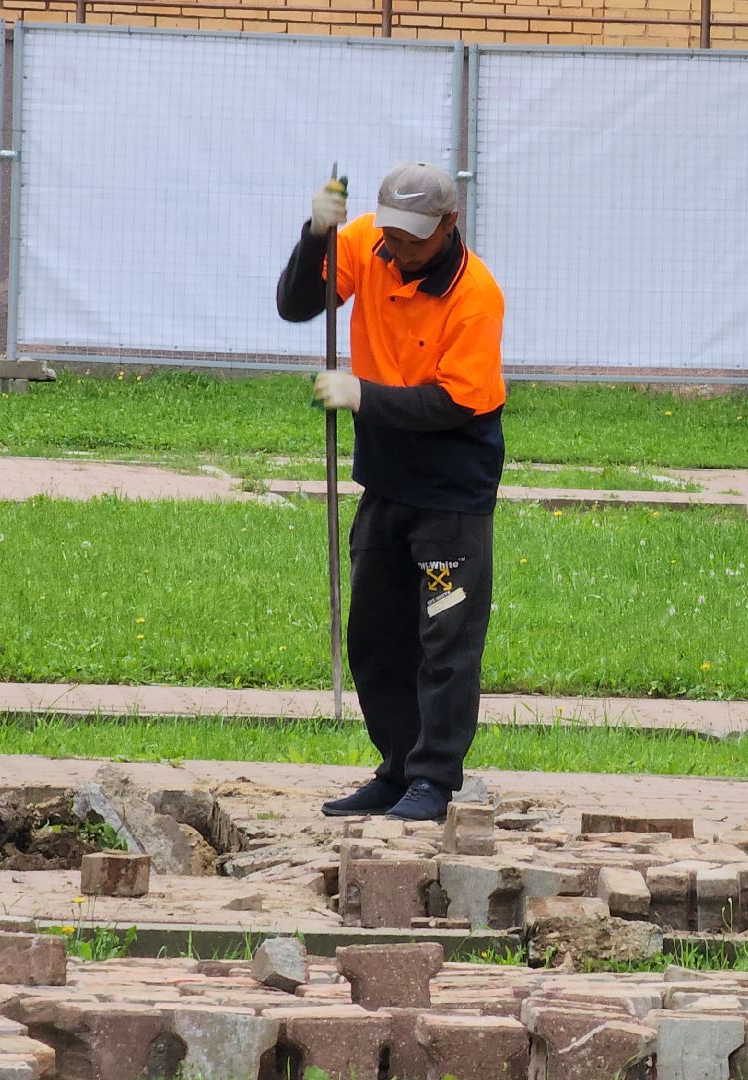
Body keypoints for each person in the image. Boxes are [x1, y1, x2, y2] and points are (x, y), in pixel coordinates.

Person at [276, 161, 506, 822]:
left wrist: (362, 395)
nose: (399, 249)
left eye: (416, 238)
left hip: (451, 494)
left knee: (444, 634)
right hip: (385, 482)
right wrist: (315, 236)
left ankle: (435, 779)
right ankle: (397, 768)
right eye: (394, 234)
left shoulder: (475, 295)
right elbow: (298, 305)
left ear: (449, 225)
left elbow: (453, 405)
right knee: (374, 634)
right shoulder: (366, 242)